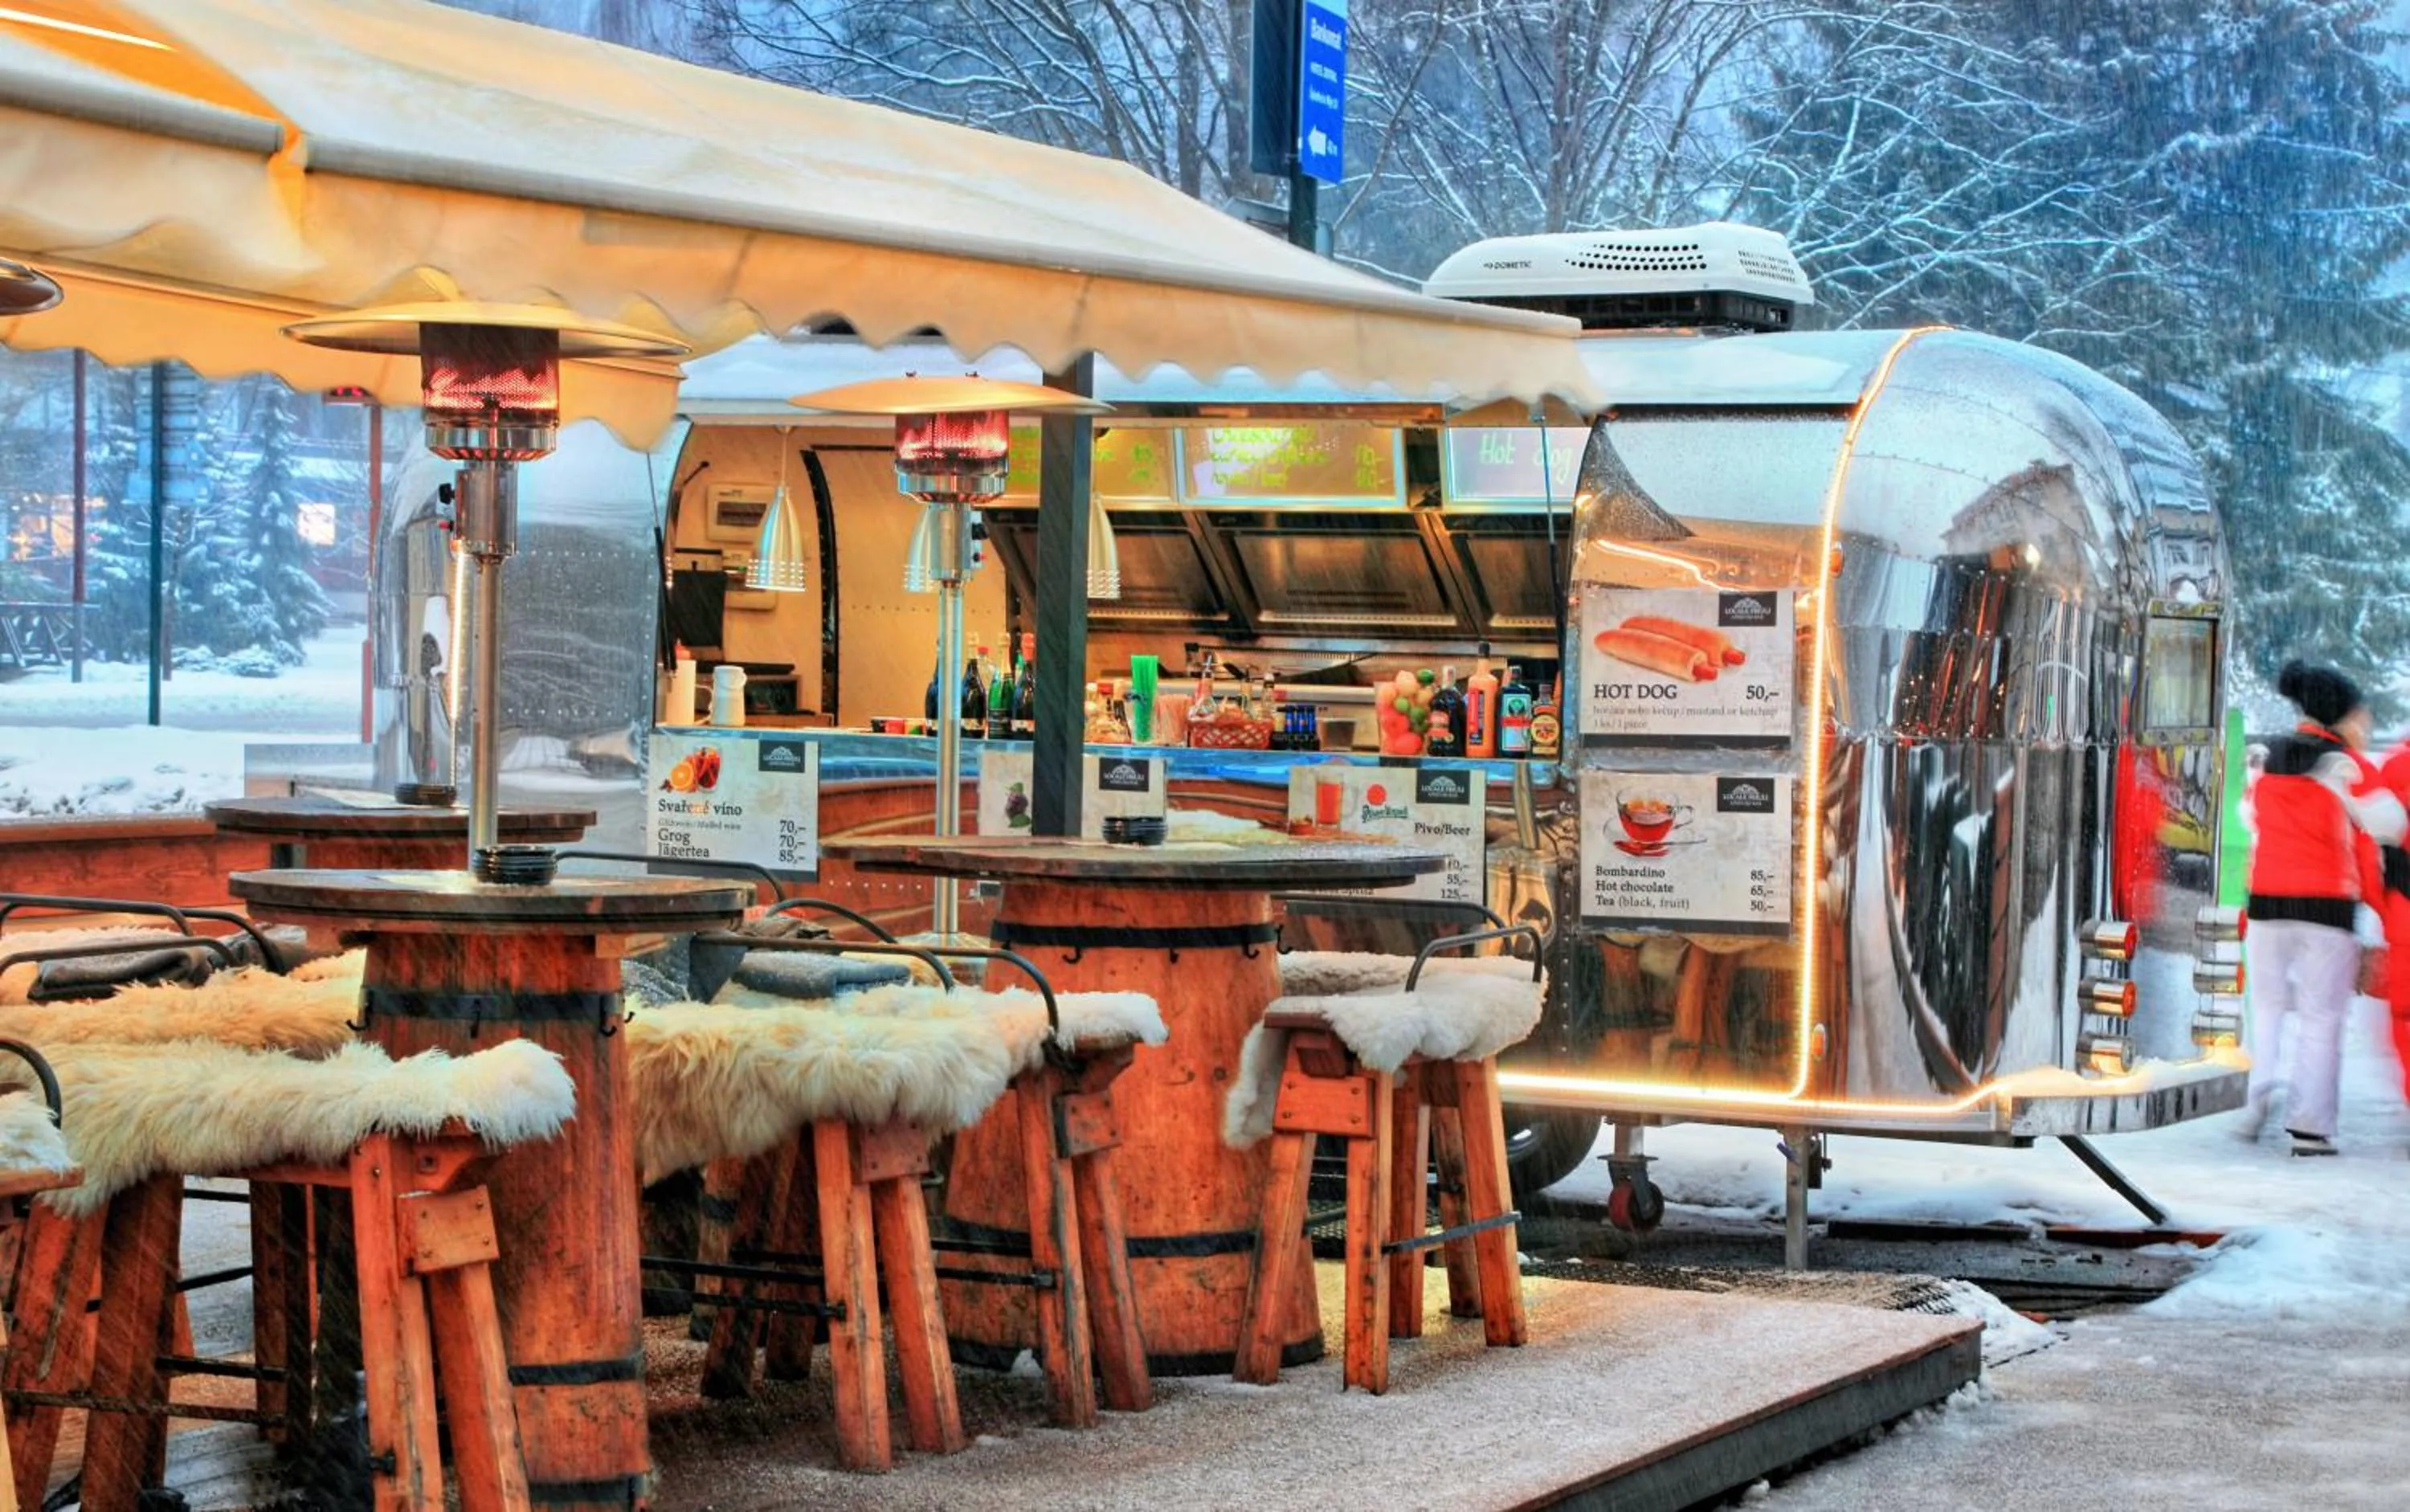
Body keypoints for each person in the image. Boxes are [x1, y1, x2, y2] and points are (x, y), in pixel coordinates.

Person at [2242, 661, 2403, 1154]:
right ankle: (2310, 1127)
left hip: (2266, 904)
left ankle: (2254, 1097)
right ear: (2340, 715)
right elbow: (2390, 825)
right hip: (2325, 907)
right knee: (2320, 1016)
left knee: (2266, 1008)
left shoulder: (2261, 755)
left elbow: (2249, 819)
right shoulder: (2346, 764)